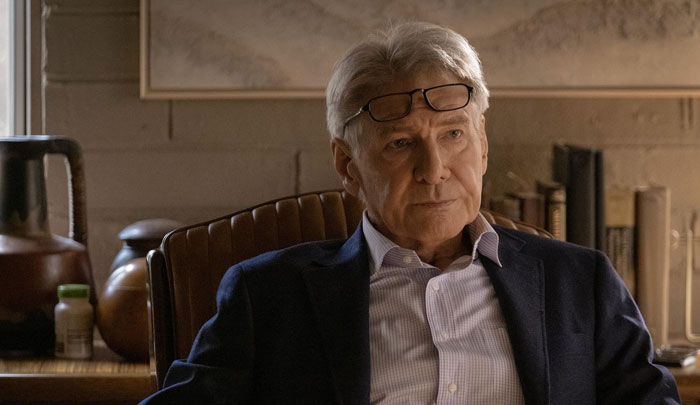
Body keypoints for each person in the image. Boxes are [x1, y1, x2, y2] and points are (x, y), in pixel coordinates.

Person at [140, 22, 680, 404]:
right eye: (400, 144)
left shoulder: (579, 282)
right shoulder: (267, 297)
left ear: (483, 145)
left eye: (453, 135)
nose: (434, 168)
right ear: (348, 166)